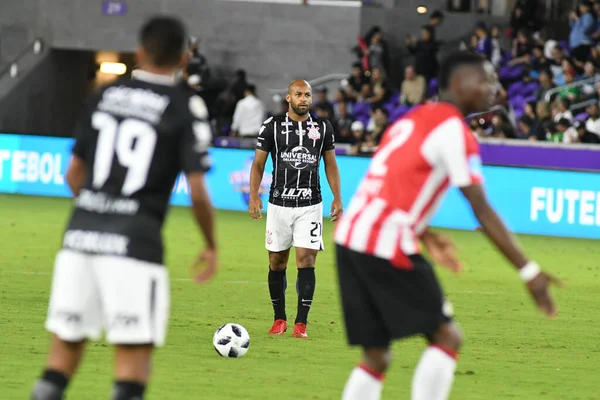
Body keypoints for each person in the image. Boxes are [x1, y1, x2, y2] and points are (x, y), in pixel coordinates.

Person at [334, 51, 561, 400]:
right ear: (457, 84)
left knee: (376, 356)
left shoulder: (411, 119)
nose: (494, 87)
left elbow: (392, 183)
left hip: (351, 238)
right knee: (446, 337)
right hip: (385, 242)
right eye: (485, 79)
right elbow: (481, 207)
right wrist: (529, 272)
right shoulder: (454, 131)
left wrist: (424, 233)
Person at [30, 16, 217, 400]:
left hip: (79, 238)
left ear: (140, 51)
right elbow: (198, 190)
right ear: (184, 58)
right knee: (131, 361)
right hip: (135, 245)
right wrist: (211, 244)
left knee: (61, 357)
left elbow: (73, 174)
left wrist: (96, 212)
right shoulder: (184, 105)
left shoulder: (105, 94)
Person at [248, 79, 342, 338]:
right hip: (278, 204)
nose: (304, 99)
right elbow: (258, 164)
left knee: (307, 260)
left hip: (310, 204)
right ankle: (279, 319)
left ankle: (301, 323)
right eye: (298, 94)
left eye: (308, 95)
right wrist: (254, 195)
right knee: (277, 262)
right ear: (288, 98)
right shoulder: (272, 126)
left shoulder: (322, 127)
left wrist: (337, 197)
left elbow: (330, 165)